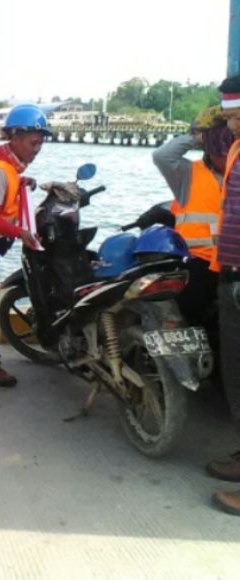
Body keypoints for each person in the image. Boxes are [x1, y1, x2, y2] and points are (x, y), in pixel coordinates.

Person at [0, 104, 45, 388]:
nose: (37, 148)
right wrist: (22, 233)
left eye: (40, 143)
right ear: (14, 138)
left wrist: (22, 180)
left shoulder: (10, 168)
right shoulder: (0, 171)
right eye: (33, 142)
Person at [151, 106, 231, 326]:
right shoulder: (187, 174)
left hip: (231, 264)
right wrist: (197, 136)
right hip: (198, 262)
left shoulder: (237, 171)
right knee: (190, 322)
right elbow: (162, 155)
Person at [204, 75, 240, 516]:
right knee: (236, 374)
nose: (230, 125)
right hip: (230, 271)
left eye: (235, 116)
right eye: (228, 116)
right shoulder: (233, 147)